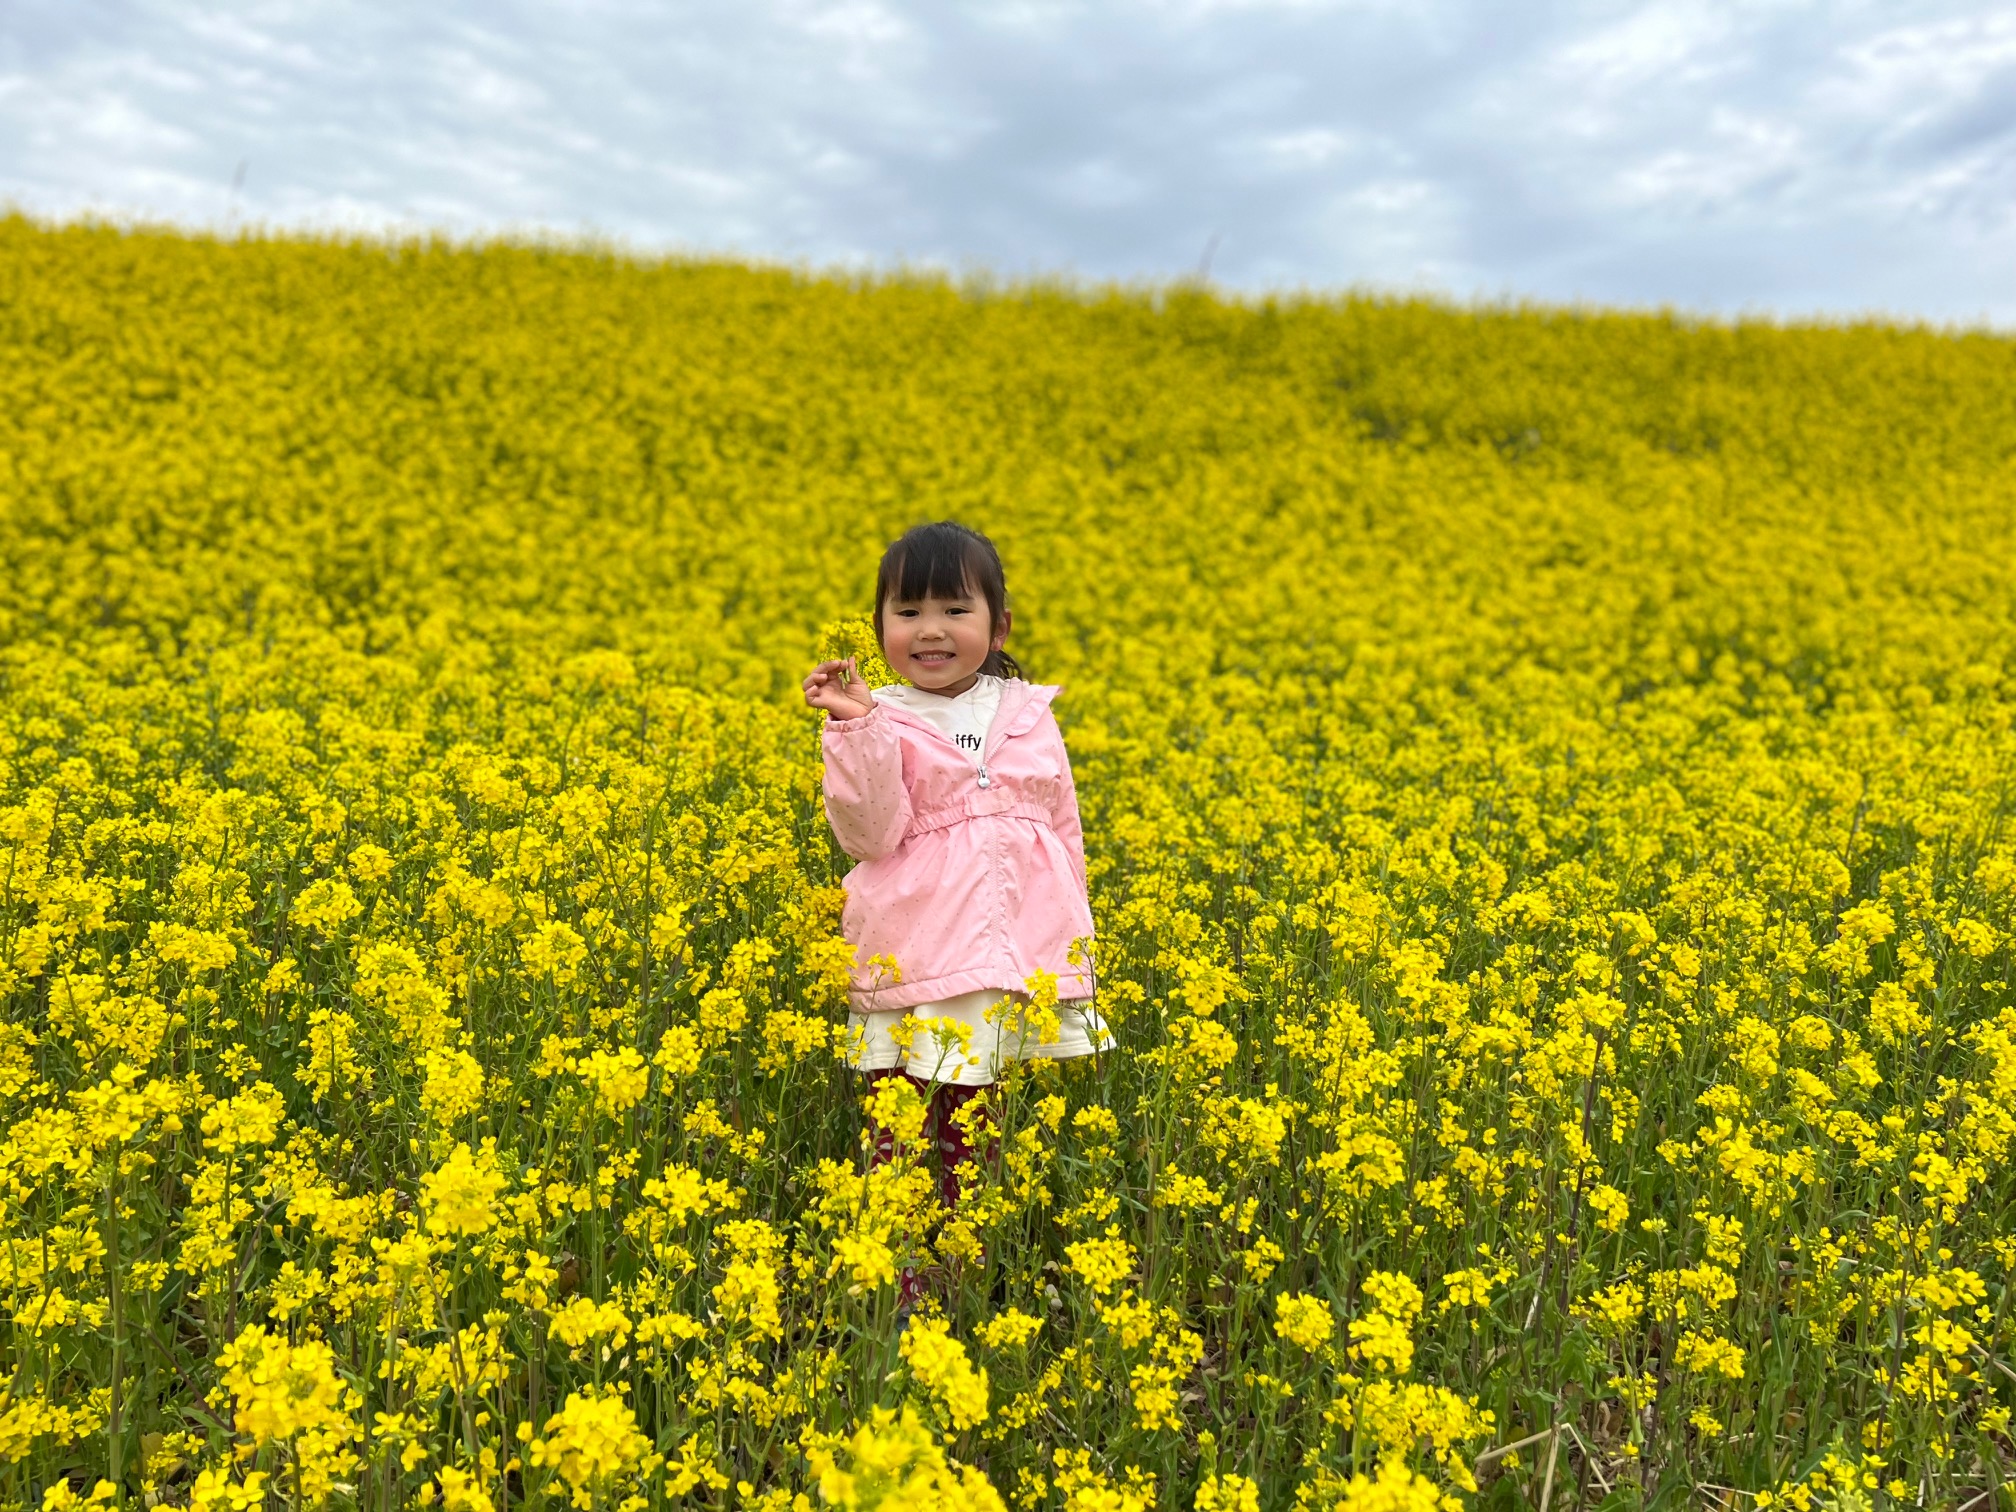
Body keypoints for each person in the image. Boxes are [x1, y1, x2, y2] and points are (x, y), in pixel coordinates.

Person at [801, 521, 1107, 1308]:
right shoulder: (876, 714)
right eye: (907, 612)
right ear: (879, 629)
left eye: (954, 610)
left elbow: (1062, 829)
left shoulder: (1029, 714)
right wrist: (853, 727)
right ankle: (895, 1289)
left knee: (977, 1130)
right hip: (912, 953)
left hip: (1006, 962)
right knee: (899, 1128)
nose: (930, 629)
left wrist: (1074, 953)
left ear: (998, 626)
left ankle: (967, 1282)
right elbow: (869, 835)